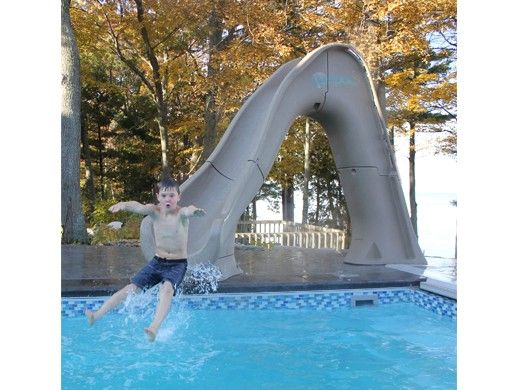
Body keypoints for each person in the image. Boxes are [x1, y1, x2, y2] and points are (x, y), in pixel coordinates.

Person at [85, 175, 205, 341]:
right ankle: (96, 315)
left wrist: (195, 212)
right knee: (131, 289)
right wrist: (124, 204)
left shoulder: (181, 214)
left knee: (167, 289)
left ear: (179, 197)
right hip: (157, 262)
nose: (168, 199)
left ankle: (154, 327)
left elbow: (189, 209)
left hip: (177, 265)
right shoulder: (154, 212)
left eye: (171, 195)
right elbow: (138, 207)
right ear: (158, 197)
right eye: (164, 196)